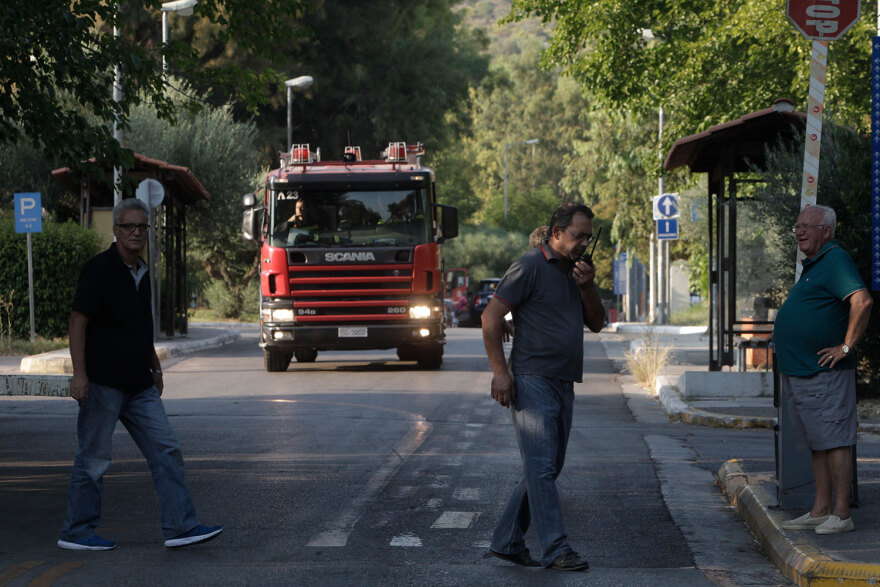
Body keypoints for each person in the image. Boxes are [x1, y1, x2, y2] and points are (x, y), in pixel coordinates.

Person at [57, 198, 222, 551]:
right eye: (129, 226)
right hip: (103, 383)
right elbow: (77, 323)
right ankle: (77, 531)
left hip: (139, 384)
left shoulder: (142, 271)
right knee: (94, 459)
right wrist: (79, 375)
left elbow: (140, 327)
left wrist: (155, 366)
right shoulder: (99, 270)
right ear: (116, 230)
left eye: (142, 227)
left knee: (166, 449)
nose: (136, 232)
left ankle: (181, 527)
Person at [482, 202, 605, 571]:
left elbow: (597, 323)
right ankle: (556, 549)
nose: (584, 243)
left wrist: (587, 287)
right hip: (532, 378)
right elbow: (490, 317)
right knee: (541, 467)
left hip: (564, 379)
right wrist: (500, 373)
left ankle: (506, 541)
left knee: (550, 465)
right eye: (578, 235)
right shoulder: (530, 265)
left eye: (588, 237)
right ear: (557, 233)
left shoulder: (576, 272)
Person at [775, 204, 873, 535]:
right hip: (805, 370)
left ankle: (841, 513)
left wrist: (845, 347)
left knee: (835, 440)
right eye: (797, 226)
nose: (800, 231)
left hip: (826, 373)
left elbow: (862, 301)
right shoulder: (816, 264)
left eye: (807, 226)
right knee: (818, 441)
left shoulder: (835, 259)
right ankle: (820, 510)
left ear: (826, 231)